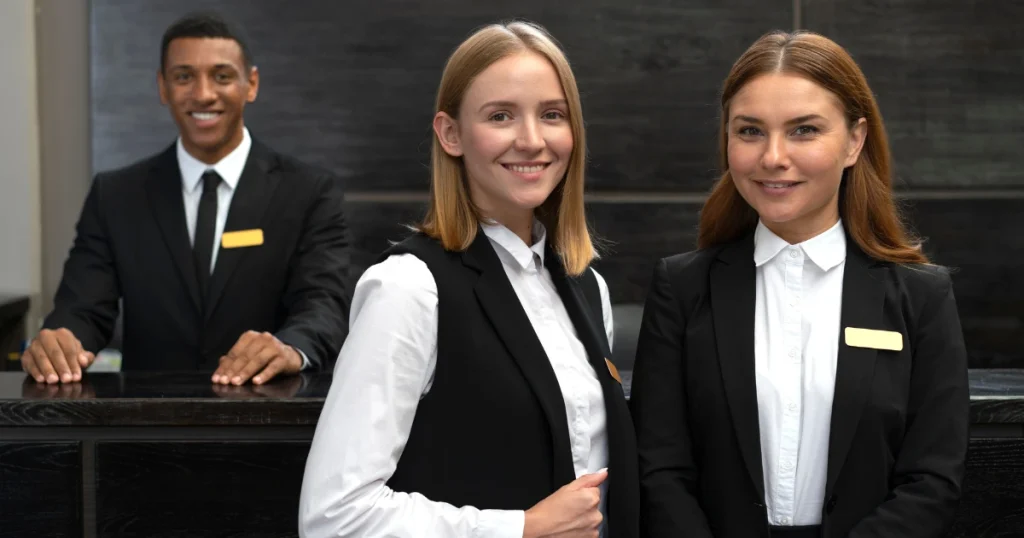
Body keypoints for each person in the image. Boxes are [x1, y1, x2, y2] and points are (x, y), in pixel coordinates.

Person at [299, 21, 638, 538]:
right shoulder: (409, 289)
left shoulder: (588, 287)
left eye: (552, 115)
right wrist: (520, 529)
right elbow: (334, 517)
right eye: (501, 116)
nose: (531, 140)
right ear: (450, 134)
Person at [630, 30, 968, 538]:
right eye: (749, 131)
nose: (772, 157)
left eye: (804, 130)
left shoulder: (921, 295)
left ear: (855, 141)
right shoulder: (681, 288)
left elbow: (932, 479)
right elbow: (661, 470)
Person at [21, 12, 350, 386]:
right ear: (163, 87)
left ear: (251, 84)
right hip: (146, 427)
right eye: (184, 77)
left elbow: (324, 306)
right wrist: (60, 343)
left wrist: (290, 346)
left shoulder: (309, 192)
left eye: (222, 76)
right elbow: (81, 309)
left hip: (268, 421)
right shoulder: (115, 195)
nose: (203, 94)